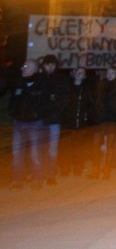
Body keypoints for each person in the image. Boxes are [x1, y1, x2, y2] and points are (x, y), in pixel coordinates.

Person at [9, 59, 47, 189]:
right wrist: (14, 114)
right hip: (19, 123)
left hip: (35, 124)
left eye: (25, 66)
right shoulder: (19, 84)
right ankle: (17, 181)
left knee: (35, 153)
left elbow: (46, 104)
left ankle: (37, 180)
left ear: (34, 69)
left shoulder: (41, 84)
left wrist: (37, 115)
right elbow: (13, 102)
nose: (22, 68)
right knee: (17, 154)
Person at [39, 54, 69, 185]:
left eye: (52, 65)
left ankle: (50, 175)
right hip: (39, 119)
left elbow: (65, 98)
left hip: (54, 119)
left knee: (52, 149)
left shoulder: (61, 80)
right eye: (47, 64)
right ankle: (39, 174)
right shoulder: (39, 79)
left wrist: (57, 109)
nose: (49, 67)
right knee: (39, 149)